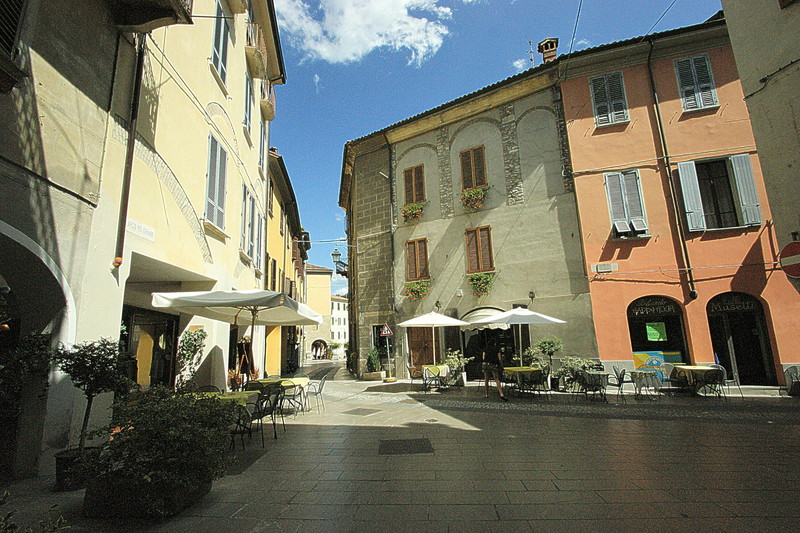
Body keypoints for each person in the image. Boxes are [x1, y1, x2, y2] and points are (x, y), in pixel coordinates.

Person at [482, 337, 508, 401]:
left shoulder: (485, 349)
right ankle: (501, 393)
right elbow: (499, 358)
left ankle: (486, 394)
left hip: (485, 364)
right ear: (494, 343)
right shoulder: (497, 349)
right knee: (496, 379)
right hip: (493, 364)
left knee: (486, 379)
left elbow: (483, 357)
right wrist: (501, 365)